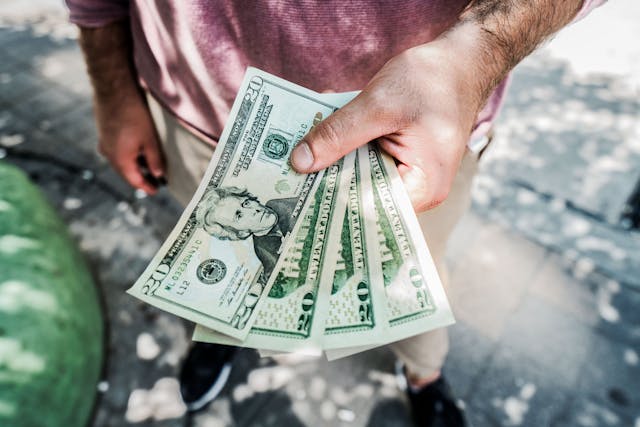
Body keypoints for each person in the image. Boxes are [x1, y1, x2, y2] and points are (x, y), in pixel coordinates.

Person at [66, 1, 605, 425]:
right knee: (222, 285)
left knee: (415, 282)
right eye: (234, 221)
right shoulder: (242, 234)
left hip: (410, 137)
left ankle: (425, 373)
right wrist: (114, 92)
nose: (245, 214)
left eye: (239, 213)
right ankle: (222, 338)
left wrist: (479, 49)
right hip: (199, 120)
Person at [195, 185, 296, 280]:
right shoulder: (261, 247)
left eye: (246, 203)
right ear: (241, 233)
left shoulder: (277, 206)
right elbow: (273, 272)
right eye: (239, 216)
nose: (253, 210)